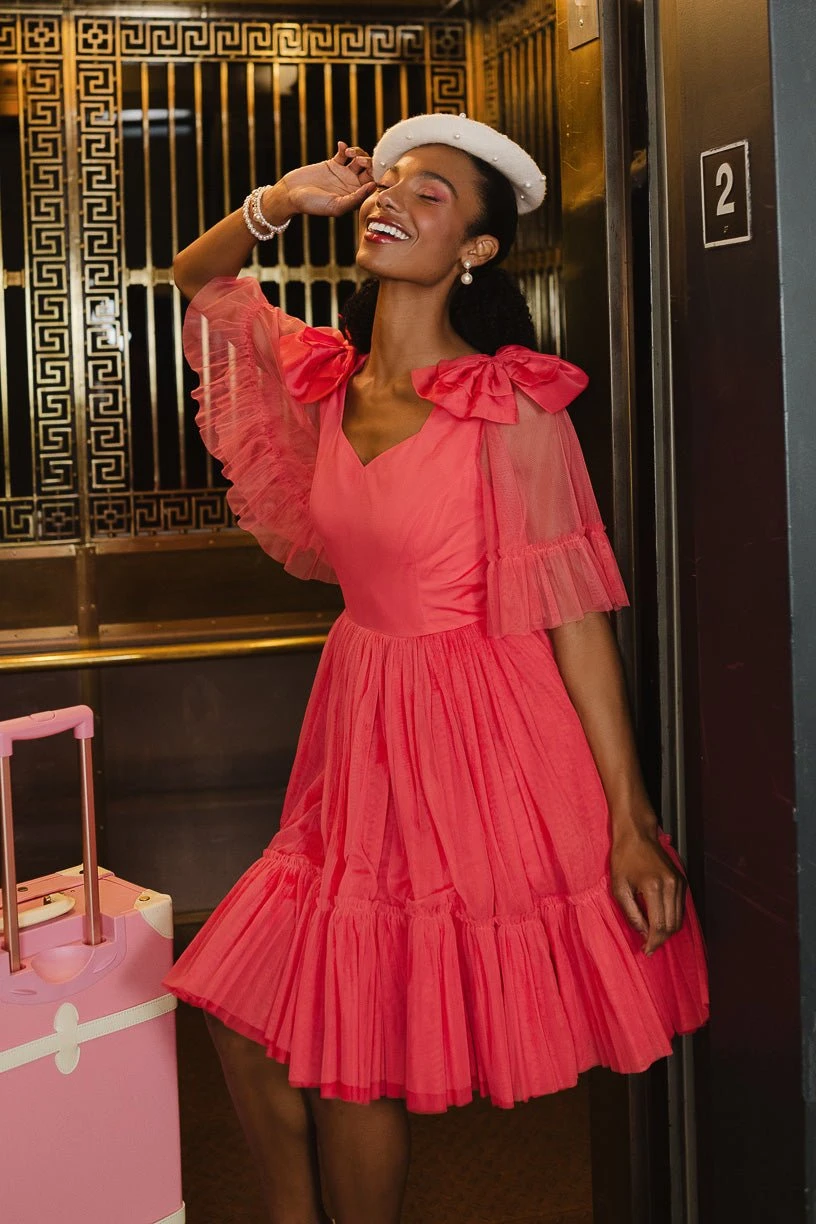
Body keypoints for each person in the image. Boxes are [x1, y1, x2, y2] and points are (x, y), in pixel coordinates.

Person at [163, 113, 709, 1224]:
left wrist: (629, 819)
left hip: (478, 734)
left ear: (477, 249)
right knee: (245, 1007)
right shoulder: (324, 379)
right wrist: (282, 201)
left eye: (431, 195)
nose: (391, 201)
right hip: (359, 723)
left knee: (357, 1048)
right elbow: (199, 277)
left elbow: (575, 621)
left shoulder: (506, 404)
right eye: (389, 184)